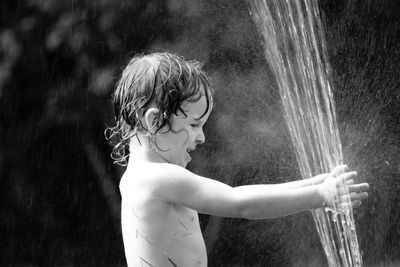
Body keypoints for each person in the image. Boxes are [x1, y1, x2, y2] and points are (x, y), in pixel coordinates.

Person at [105, 52, 369, 267]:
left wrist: (315, 184)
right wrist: (320, 196)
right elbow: (240, 203)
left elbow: (237, 196)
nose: (201, 138)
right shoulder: (158, 178)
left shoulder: (142, 178)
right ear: (154, 122)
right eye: (195, 124)